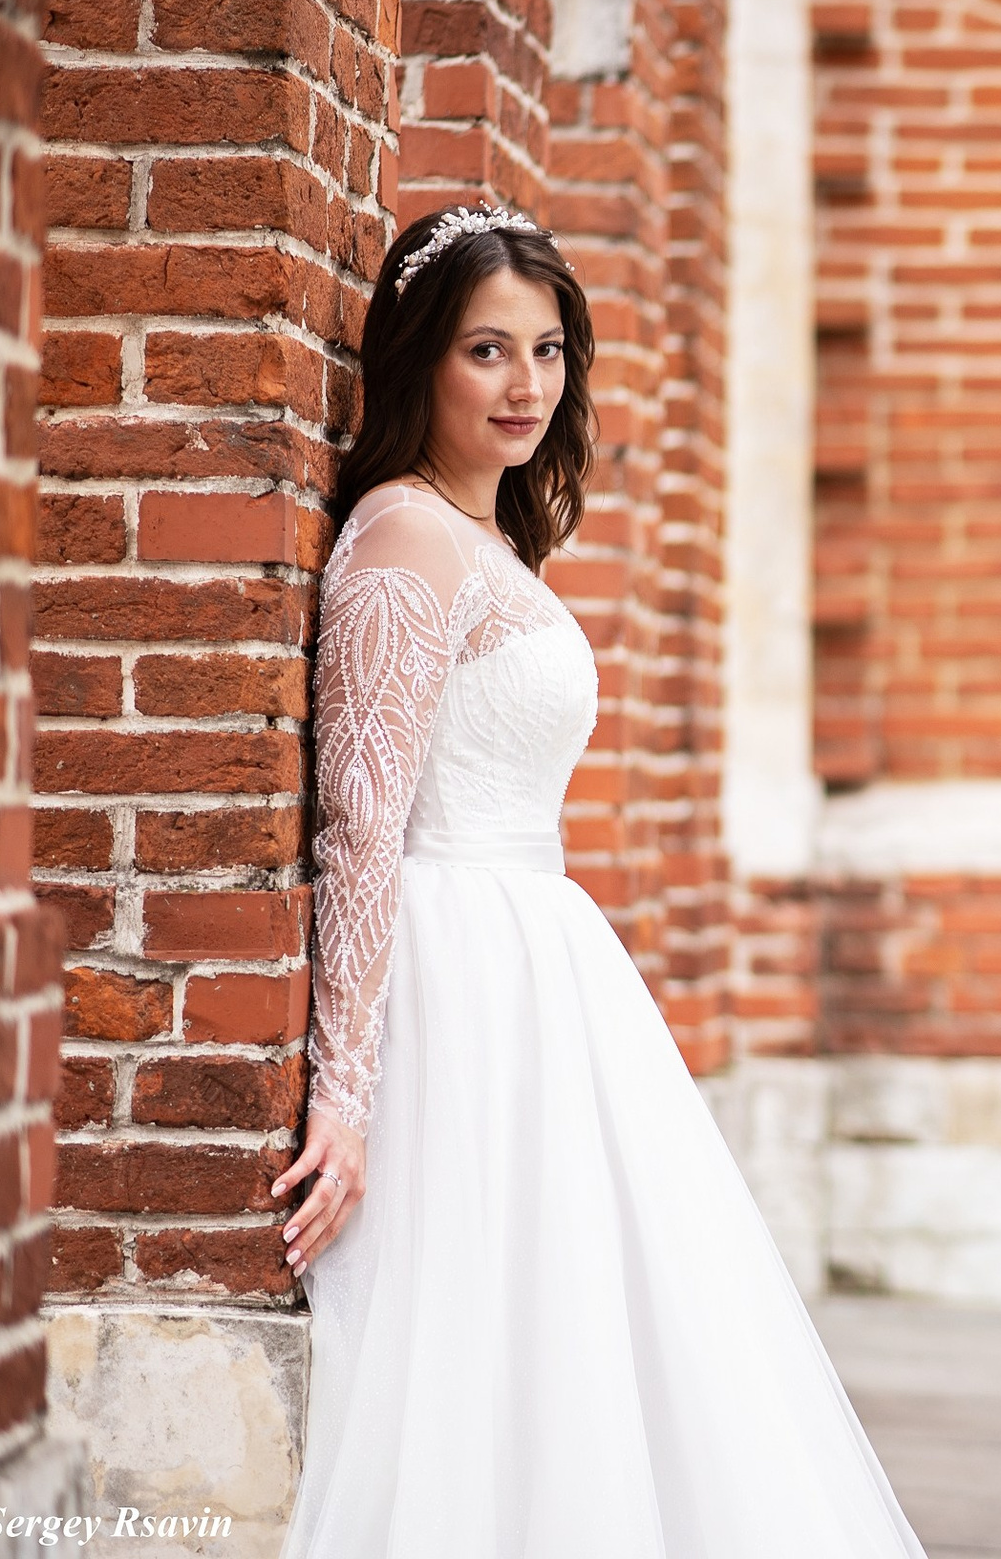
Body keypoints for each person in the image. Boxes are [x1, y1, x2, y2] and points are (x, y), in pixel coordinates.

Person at [271, 205, 928, 1559]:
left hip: (542, 968)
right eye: (486, 352)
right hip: (456, 965)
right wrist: (341, 1091)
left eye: (549, 352)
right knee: (481, 1346)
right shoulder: (402, 542)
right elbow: (360, 825)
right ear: (420, 365)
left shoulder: (485, 540)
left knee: (585, 1336)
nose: (525, 386)